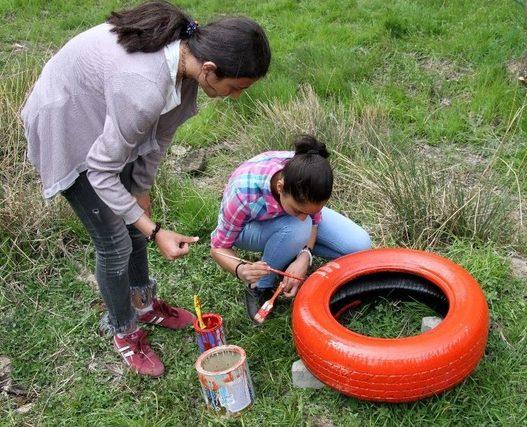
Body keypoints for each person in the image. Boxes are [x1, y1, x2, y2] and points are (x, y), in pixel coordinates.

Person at [20, 1, 271, 377]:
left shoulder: (187, 70)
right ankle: (124, 330)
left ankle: (143, 304)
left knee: (135, 220)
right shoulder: (143, 87)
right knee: (115, 241)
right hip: (69, 122)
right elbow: (102, 170)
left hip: (106, 119)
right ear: (210, 69)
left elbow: (157, 142)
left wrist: (141, 194)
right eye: (235, 87)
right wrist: (153, 230)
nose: (236, 97)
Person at [210, 135, 372, 323]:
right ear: (280, 187)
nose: (307, 216)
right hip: (249, 228)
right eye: (299, 210)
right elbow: (218, 248)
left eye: (312, 210)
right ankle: (260, 286)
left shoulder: (308, 174)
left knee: (360, 245)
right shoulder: (242, 193)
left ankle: (289, 250)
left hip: (291, 226)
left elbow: (314, 220)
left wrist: (305, 256)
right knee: (298, 227)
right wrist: (240, 270)